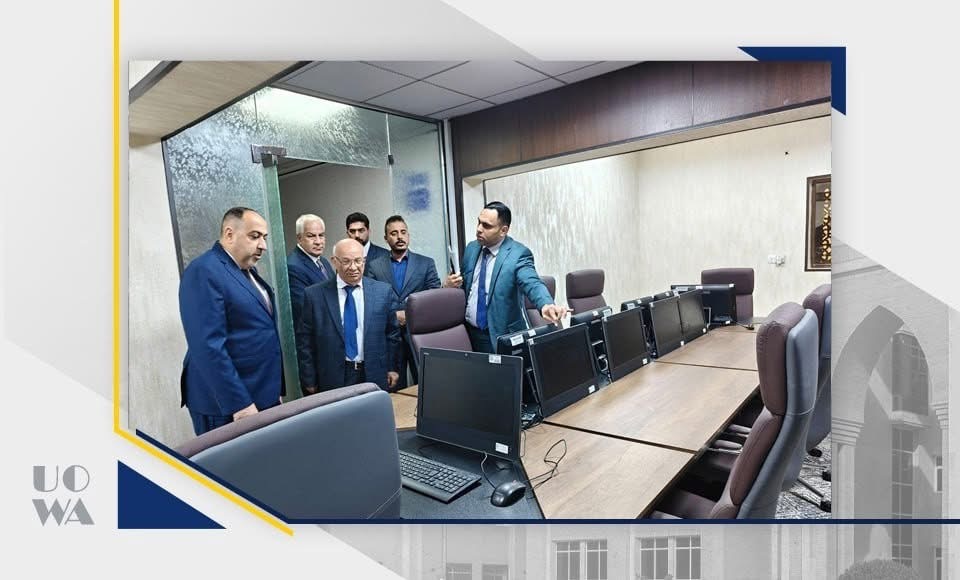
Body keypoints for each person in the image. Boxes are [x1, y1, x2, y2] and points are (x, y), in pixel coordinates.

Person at [178, 207, 284, 435]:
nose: (263, 245)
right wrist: (239, 404)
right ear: (229, 234)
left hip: (258, 393)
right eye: (254, 236)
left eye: (264, 238)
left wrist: (273, 391)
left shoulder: (247, 272)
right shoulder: (204, 271)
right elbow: (207, 346)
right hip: (227, 405)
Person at [445, 201, 567, 353]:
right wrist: (447, 286)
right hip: (469, 335)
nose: (479, 229)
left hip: (501, 336)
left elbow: (532, 283)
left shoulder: (518, 254)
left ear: (503, 230)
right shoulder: (472, 248)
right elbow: (466, 287)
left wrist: (546, 304)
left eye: (486, 226)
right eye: (479, 222)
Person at [296, 238, 402, 394]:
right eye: (346, 261)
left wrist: (392, 367)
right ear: (334, 261)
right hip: (333, 376)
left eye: (358, 261)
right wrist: (309, 378)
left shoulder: (382, 292)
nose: (353, 267)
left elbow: (392, 334)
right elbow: (305, 341)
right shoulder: (314, 295)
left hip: (374, 372)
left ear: (364, 260)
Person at [365, 215, 441, 385]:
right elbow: (371, 301)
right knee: (394, 385)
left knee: (427, 382)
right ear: (386, 238)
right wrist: (394, 316)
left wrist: (409, 314)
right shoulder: (375, 266)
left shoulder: (426, 263)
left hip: (418, 333)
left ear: (408, 235)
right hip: (390, 338)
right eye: (394, 233)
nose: (399, 237)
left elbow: (433, 298)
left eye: (403, 232)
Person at [286, 213, 333, 326]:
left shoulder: (323, 261)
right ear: (299, 238)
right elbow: (304, 309)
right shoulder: (294, 267)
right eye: (311, 236)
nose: (318, 241)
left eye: (321, 235)